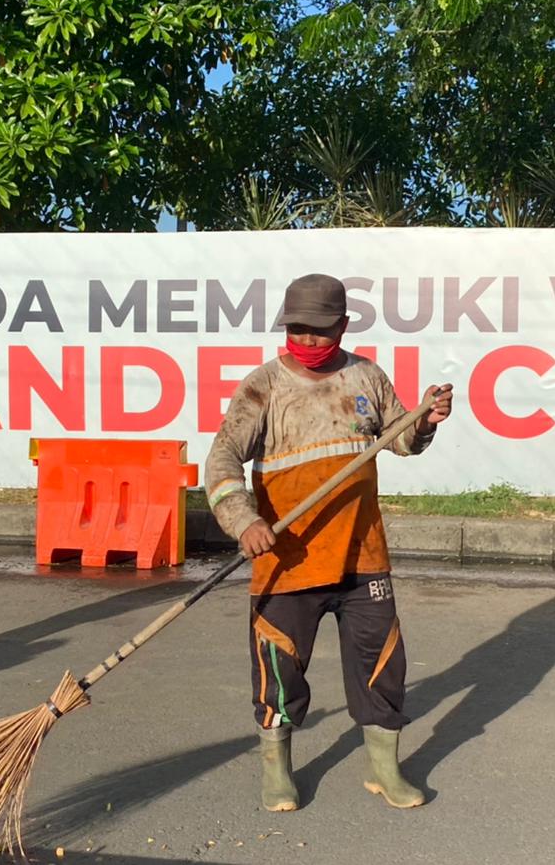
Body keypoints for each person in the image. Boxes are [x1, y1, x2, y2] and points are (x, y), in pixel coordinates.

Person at [205, 273, 452, 813]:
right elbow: (222, 461)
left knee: (382, 665)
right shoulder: (261, 388)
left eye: (320, 330)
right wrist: (243, 519)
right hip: (286, 560)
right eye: (298, 329)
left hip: (363, 556)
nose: (309, 340)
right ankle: (277, 770)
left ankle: (384, 768)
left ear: (342, 326)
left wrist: (424, 421)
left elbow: (400, 440)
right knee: (279, 667)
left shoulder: (366, 376)